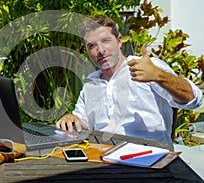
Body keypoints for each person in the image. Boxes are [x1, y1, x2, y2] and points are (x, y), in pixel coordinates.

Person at [55, 15, 203, 149]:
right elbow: (82, 122)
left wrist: (159, 76)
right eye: (91, 46)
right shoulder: (91, 84)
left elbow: (194, 99)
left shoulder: (146, 67)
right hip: (104, 160)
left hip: (151, 159)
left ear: (119, 41)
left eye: (106, 41)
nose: (100, 50)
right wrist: (71, 118)